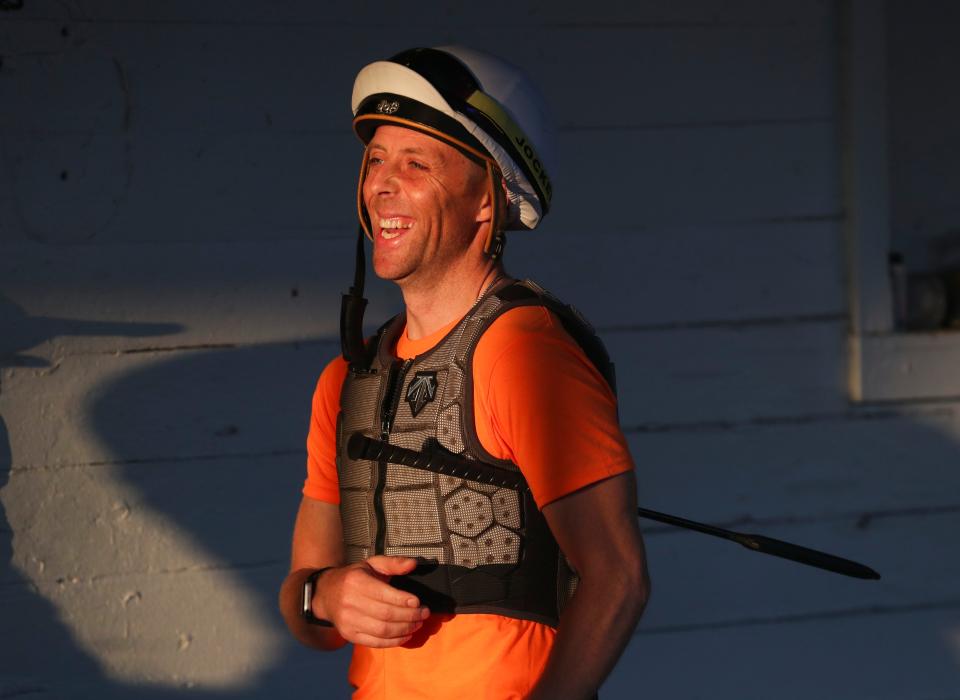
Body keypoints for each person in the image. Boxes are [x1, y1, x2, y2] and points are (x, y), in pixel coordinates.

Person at [279, 46, 650, 700]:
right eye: (375, 161)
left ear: (488, 198)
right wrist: (326, 594)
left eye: (416, 164)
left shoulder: (522, 350)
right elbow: (305, 610)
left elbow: (616, 577)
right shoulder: (349, 379)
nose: (381, 185)